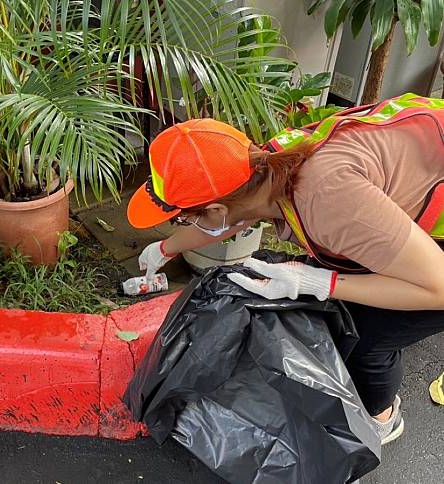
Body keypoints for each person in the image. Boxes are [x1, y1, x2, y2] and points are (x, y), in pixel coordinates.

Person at [126, 94, 444, 445]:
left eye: (182, 216)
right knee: (351, 306)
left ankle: (383, 419)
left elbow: (440, 287)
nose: (180, 222)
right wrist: (164, 248)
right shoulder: (262, 165)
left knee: (370, 340)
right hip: (411, 181)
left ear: (215, 209)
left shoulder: (326, 200)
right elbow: (234, 214)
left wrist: (320, 281)